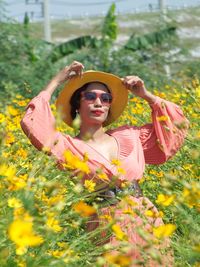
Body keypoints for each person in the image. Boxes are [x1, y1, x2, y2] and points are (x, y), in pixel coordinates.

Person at [21, 61, 189, 266]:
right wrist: (57, 80)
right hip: (105, 225)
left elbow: (174, 128)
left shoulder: (130, 135)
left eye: (106, 98)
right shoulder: (68, 146)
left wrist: (146, 95)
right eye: (90, 97)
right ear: (77, 105)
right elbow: (32, 122)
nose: (99, 102)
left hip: (145, 219)